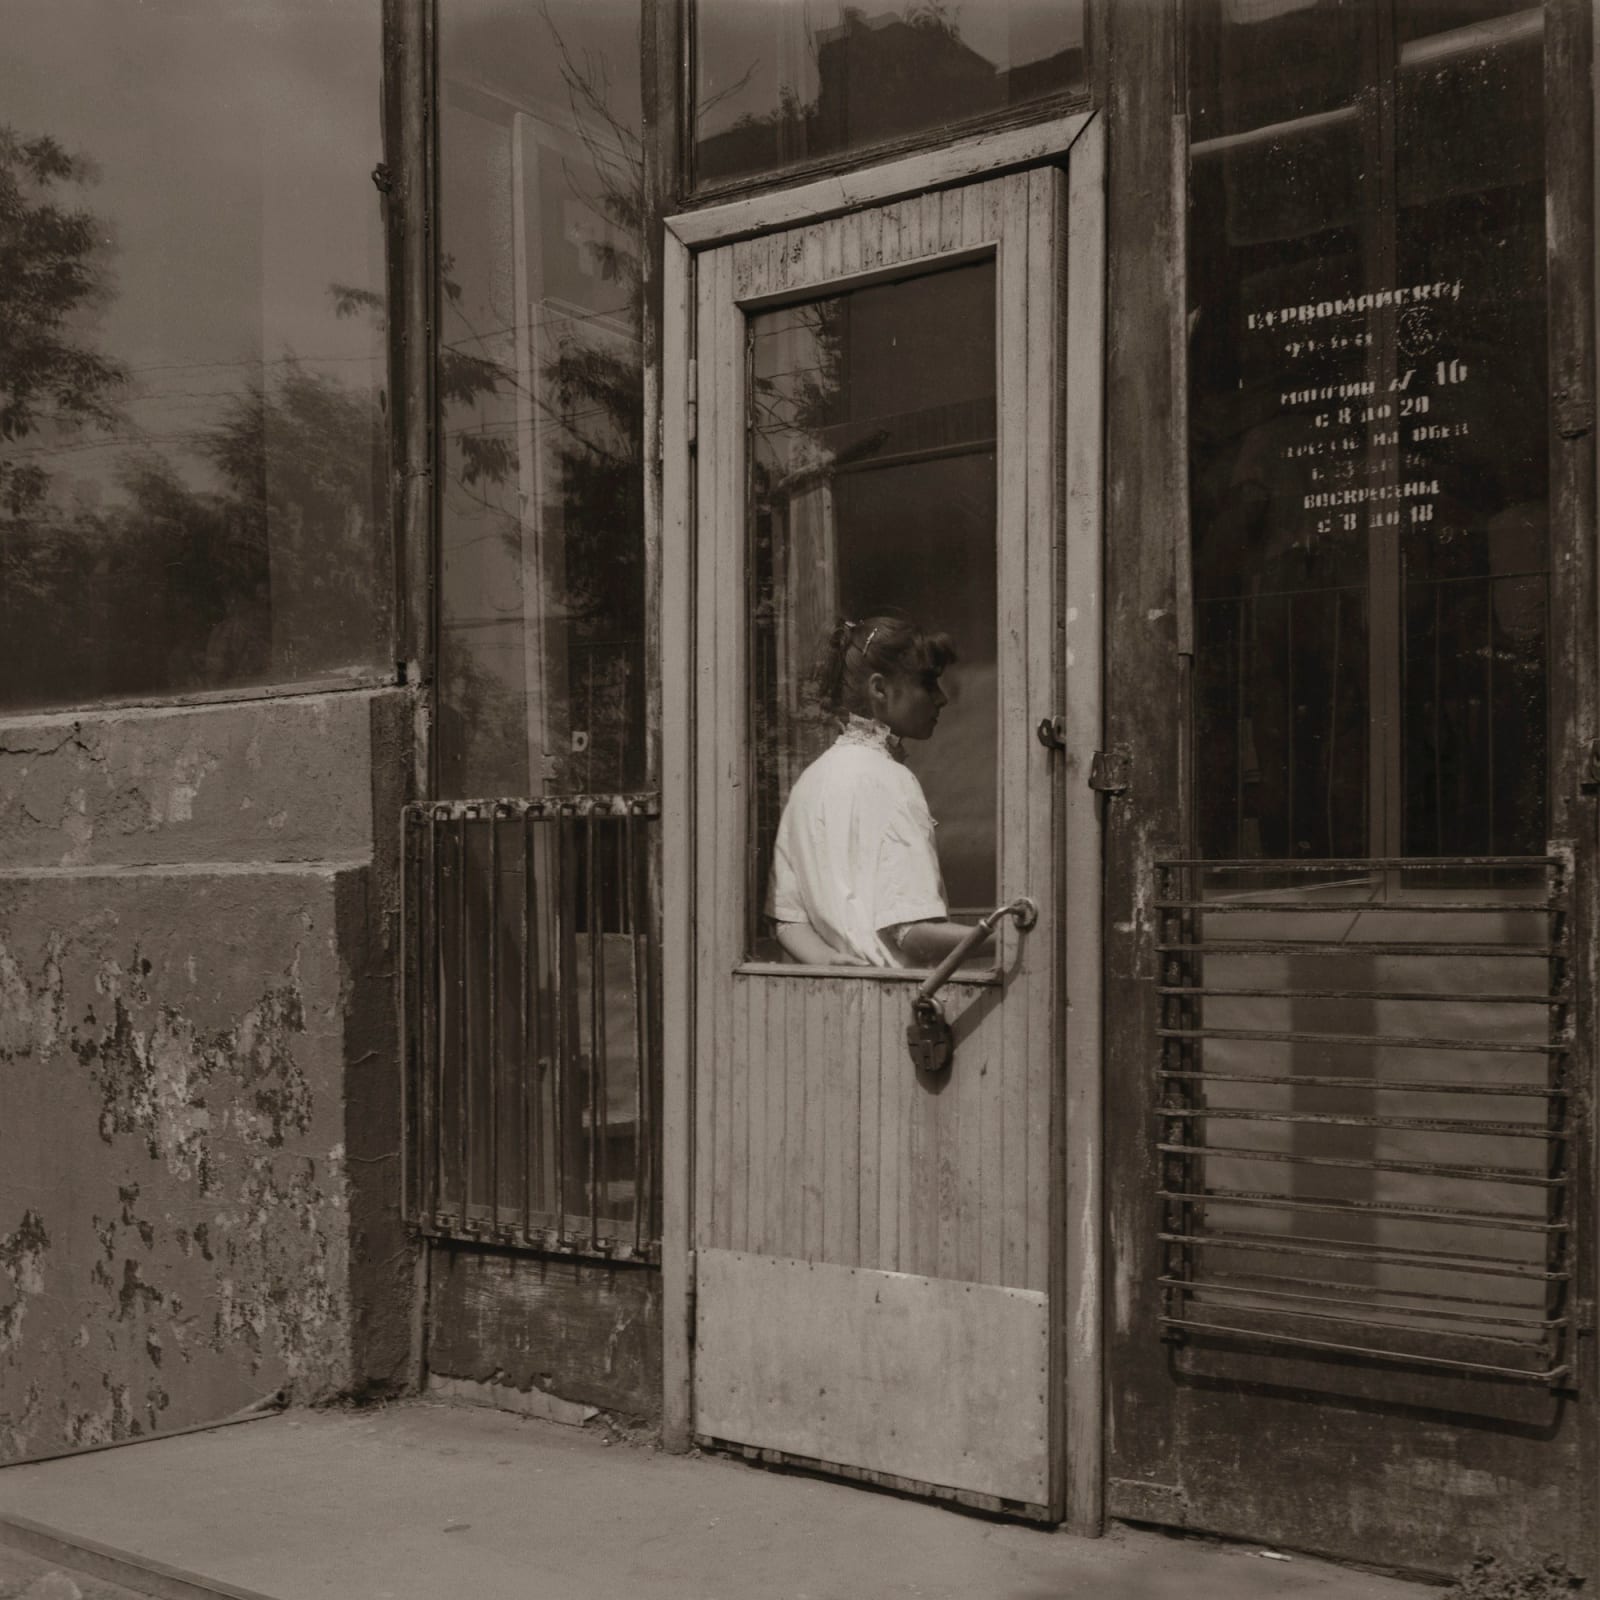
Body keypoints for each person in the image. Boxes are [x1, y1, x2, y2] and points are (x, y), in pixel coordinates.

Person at [766, 614, 991, 968]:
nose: (941, 698)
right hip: (900, 1004)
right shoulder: (890, 781)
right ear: (879, 688)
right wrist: (1010, 941)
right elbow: (911, 936)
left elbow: (788, 921)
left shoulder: (810, 782)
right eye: (927, 683)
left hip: (836, 1003)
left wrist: (829, 962)